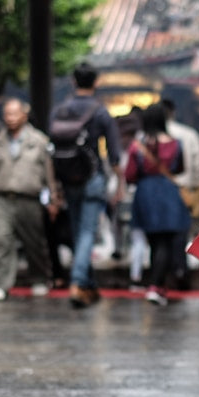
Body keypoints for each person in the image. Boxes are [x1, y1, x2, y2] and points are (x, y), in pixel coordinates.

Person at [49, 62, 125, 308]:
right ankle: (79, 281)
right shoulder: (100, 113)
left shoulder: (59, 111)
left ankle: (89, 287)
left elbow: (51, 148)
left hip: (66, 179)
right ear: (96, 82)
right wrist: (120, 182)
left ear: (73, 82)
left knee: (77, 229)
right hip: (92, 178)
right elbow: (114, 154)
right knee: (86, 233)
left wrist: (53, 187)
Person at [0, 97, 61, 301]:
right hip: (3, 198)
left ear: (24, 115)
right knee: (1, 239)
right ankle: (0, 283)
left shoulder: (39, 141)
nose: (10, 118)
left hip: (30, 198)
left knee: (34, 242)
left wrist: (54, 199)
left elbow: (49, 174)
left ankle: (39, 278)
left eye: (14, 113)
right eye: (7, 114)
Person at [124, 104, 190, 306]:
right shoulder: (175, 143)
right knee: (166, 242)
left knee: (155, 241)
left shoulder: (137, 146)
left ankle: (156, 284)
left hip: (146, 193)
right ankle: (156, 285)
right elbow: (180, 168)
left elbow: (130, 174)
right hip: (168, 193)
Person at [161, 98, 199, 289]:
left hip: (161, 190)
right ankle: (180, 269)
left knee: (162, 234)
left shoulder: (148, 137)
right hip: (185, 187)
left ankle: (164, 274)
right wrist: (196, 184)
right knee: (181, 232)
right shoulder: (188, 134)